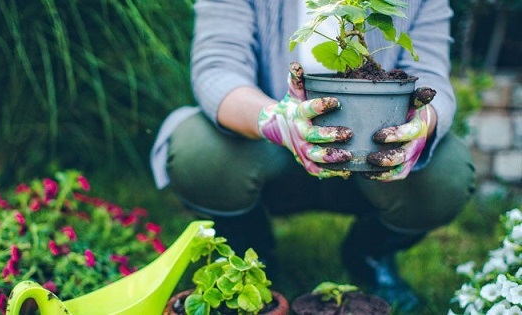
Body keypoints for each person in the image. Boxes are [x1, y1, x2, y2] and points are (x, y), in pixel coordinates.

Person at [150, 0, 476, 311]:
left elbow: (429, 73)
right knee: (198, 150)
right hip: (265, 148)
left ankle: (370, 252)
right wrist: (277, 121)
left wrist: (422, 123)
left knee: (446, 173)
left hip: (375, 150)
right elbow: (217, 69)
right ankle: (249, 246)